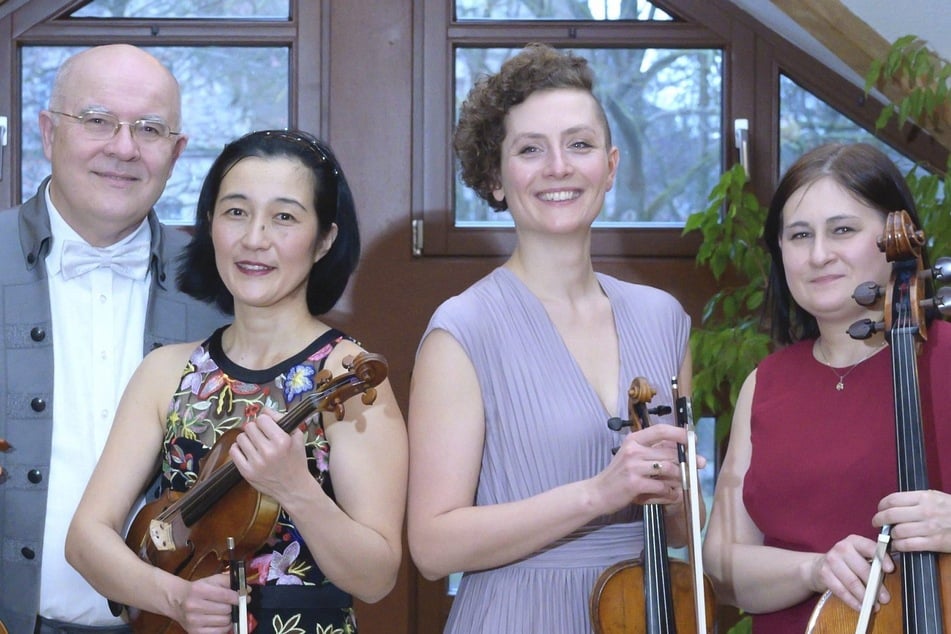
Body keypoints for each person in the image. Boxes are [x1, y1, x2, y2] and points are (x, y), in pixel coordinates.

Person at [407, 43, 702, 632]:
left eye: (580, 144)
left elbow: (684, 528)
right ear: (495, 177)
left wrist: (674, 501)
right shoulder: (462, 331)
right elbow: (433, 545)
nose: (559, 167)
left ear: (611, 166)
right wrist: (599, 493)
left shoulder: (663, 318)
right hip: (516, 614)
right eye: (530, 149)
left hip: (642, 611)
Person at [66, 129, 408, 634]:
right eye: (236, 212)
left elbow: (376, 577)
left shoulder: (347, 377)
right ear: (211, 226)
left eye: (285, 217)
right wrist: (175, 597)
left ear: (325, 240)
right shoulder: (168, 372)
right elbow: (85, 539)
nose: (254, 239)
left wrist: (296, 488)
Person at [0, 44, 226, 634]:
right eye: (97, 120)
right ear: (48, 133)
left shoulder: (221, 289)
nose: (123, 148)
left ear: (176, 154)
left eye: (149, 129)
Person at [702, 141, 951, 633]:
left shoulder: (946, 356)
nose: (819, 255)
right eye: (798, 235)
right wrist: (813, 569)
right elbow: (723, 570)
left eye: (843, 229)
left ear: (897, 236)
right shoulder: (766, 383)